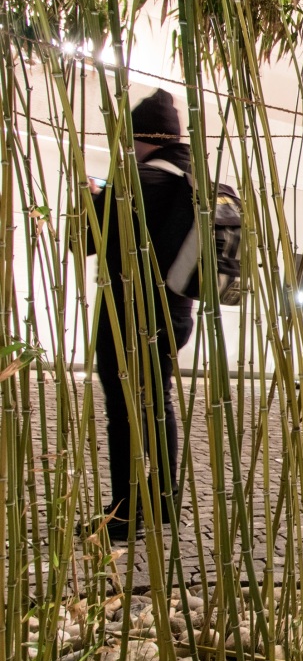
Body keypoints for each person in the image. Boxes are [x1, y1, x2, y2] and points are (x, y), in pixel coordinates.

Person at [87, 88, 196, 540]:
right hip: (175, 314)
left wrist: (93, 197)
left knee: (124, 411)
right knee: (157, 401)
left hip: (133, 316)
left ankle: (125, 512)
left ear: (142, 136)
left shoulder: (142, 181)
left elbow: (90, 239)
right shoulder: (189, 177)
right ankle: (164, 498)